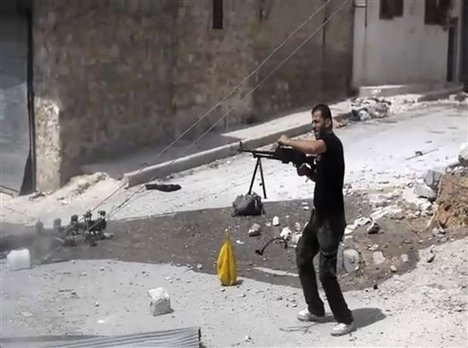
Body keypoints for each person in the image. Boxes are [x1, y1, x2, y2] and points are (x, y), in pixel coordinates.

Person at [277, 103, 355, 337]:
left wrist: (289, 141)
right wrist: (308, 172)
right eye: (312, 122)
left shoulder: (330, 142)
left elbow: (312, 146)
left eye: (317, 121)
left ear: (328, 122)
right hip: (318, 216)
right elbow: (324, 179)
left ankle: (346, 318)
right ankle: (316, 309)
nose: (314, 126)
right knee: (302, 256)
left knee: (326, 273)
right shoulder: (323, 151)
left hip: (332, 221)